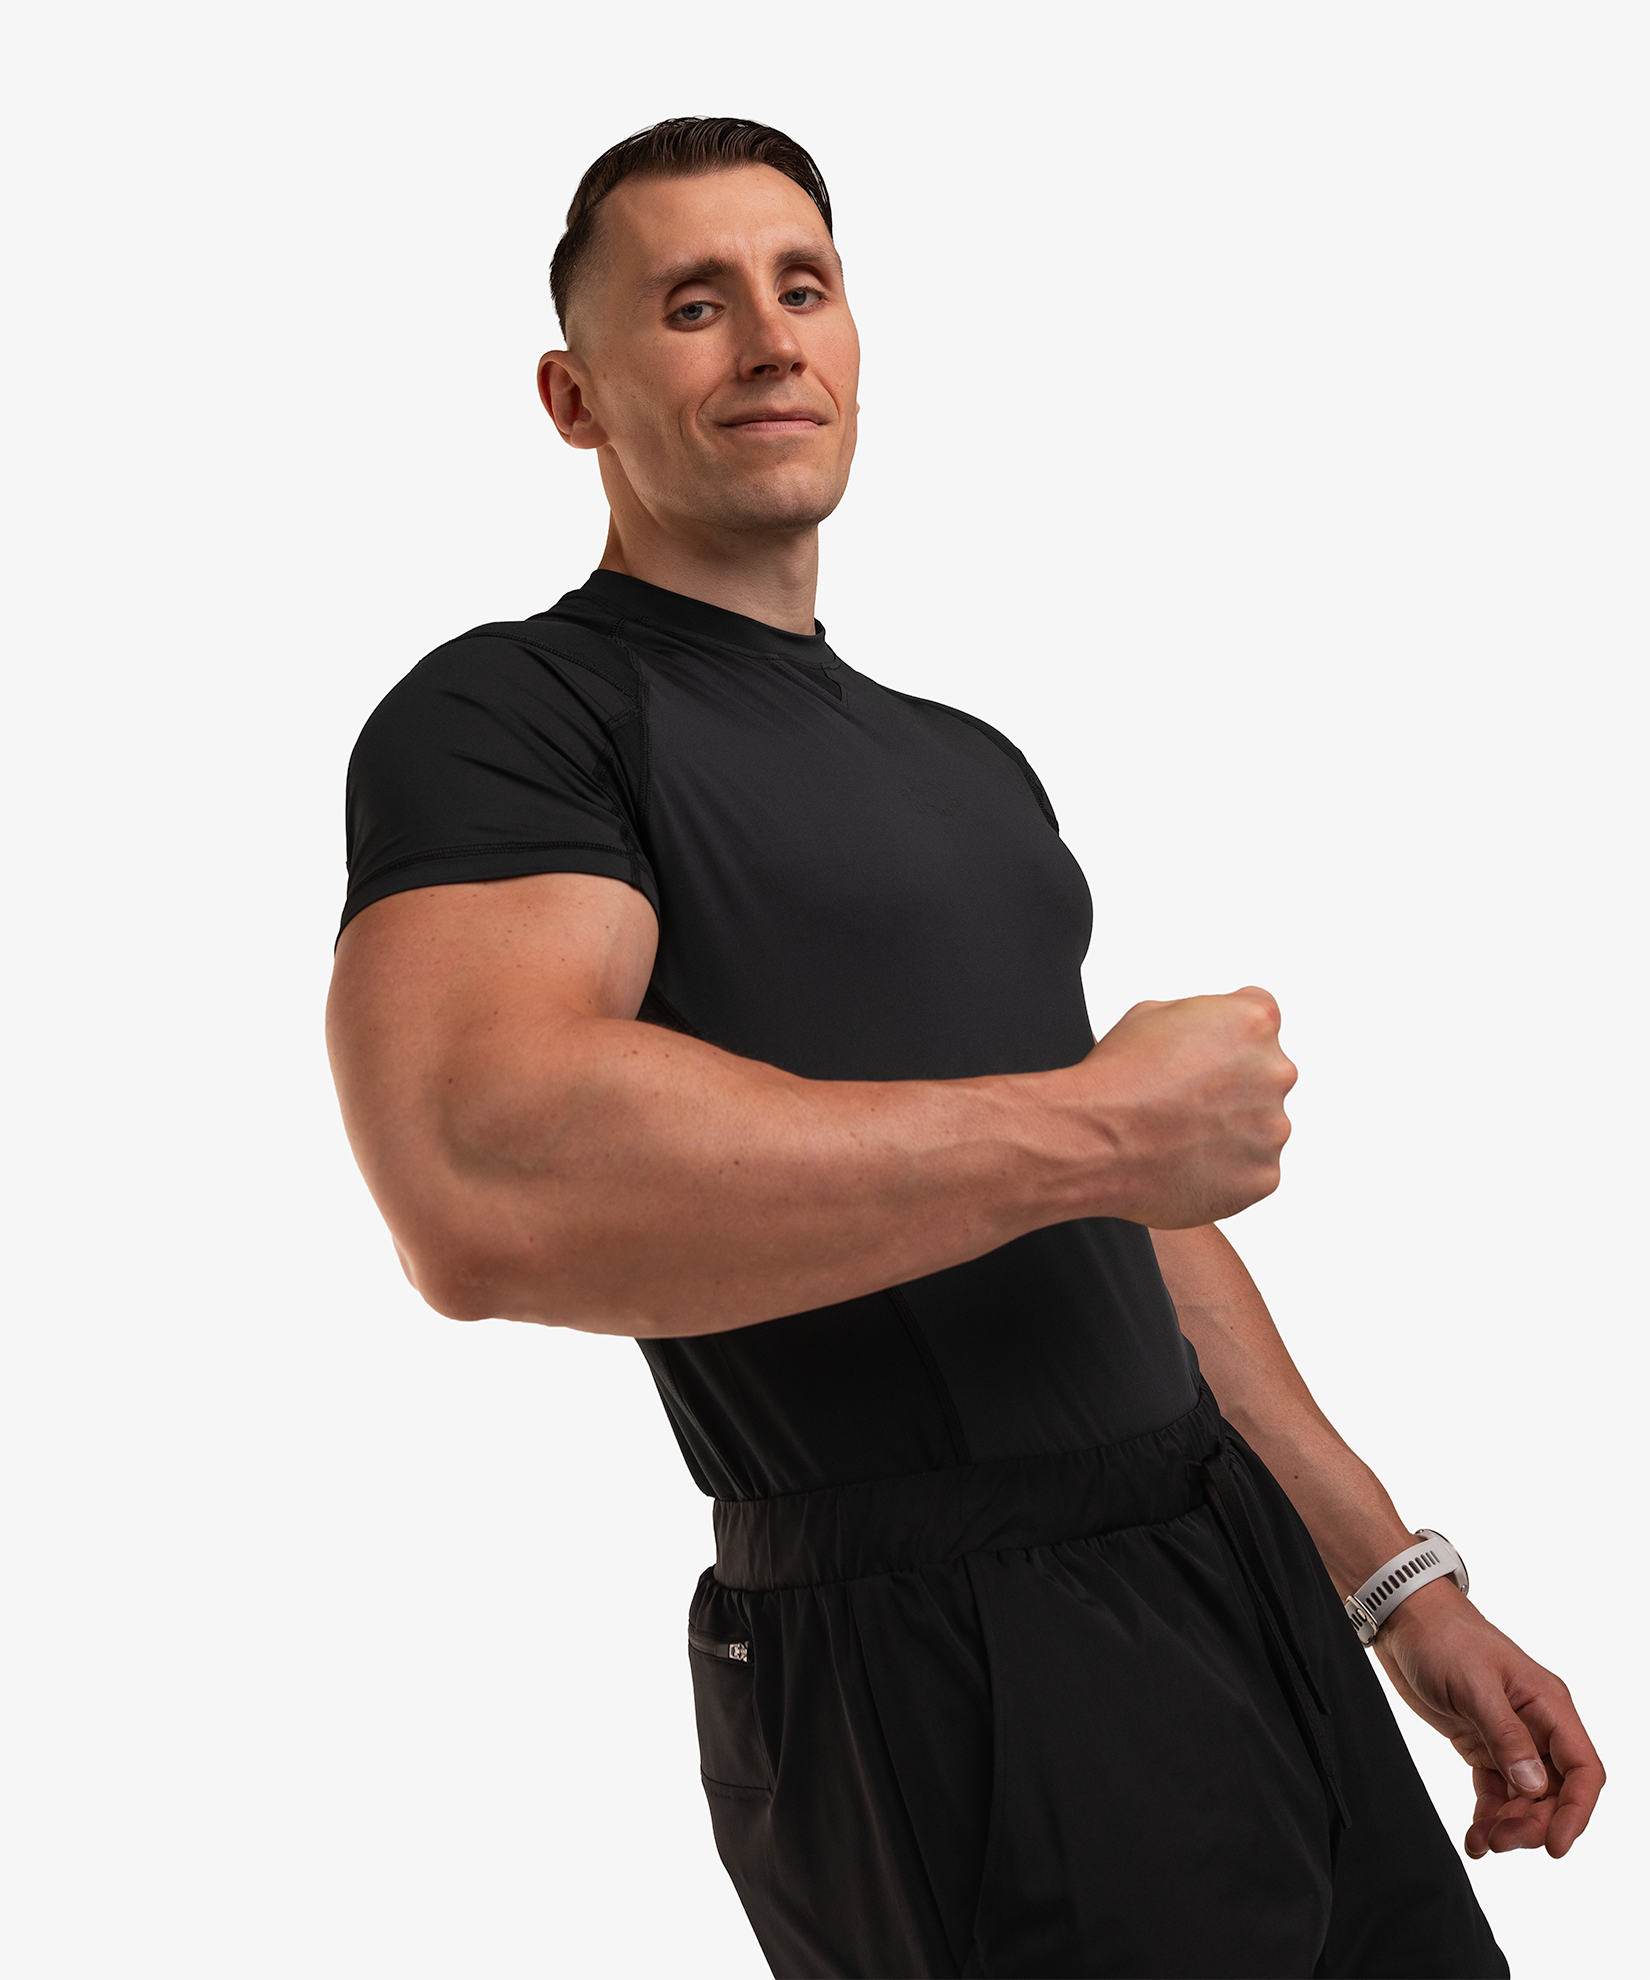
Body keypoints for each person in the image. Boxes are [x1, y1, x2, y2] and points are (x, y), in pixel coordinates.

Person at [325, 118, 1602, 1978]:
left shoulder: (962, 757)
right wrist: (1100, 1128)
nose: (770, 338)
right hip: (945, 1650)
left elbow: (1123, 1215)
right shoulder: (513, 715)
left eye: (803, 286)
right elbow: (482, 1176)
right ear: (572, 396)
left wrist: (1394, 1582)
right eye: (692, 304)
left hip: (1227, 1569)